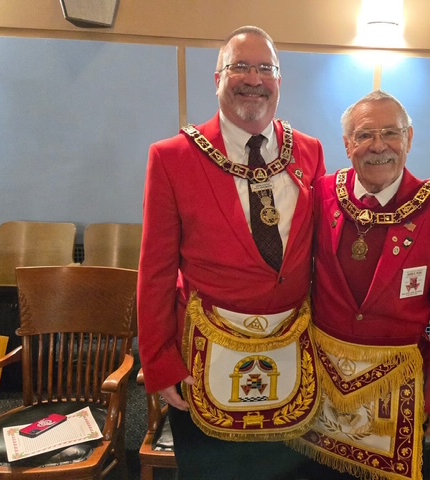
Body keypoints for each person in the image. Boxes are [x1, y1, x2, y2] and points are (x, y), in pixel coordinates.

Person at [137, 26, 327, 479]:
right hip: (205, 353)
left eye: (265, 68)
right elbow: (155, 272)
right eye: (240, 66)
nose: (253, 78)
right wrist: (160, 363)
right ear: (217, 77)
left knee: (289, 471)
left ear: (280, 80)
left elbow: (321, 254)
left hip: (292, 350)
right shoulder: (172, 157)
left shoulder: (310, 151)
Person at [290, 90, 430, 480]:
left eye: (391, 133)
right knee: (312, 471)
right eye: (364, 135)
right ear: (346, 144)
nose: (378, 147)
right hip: (320, 374)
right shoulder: (320, 193)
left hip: (396, 381)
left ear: (409, 138)